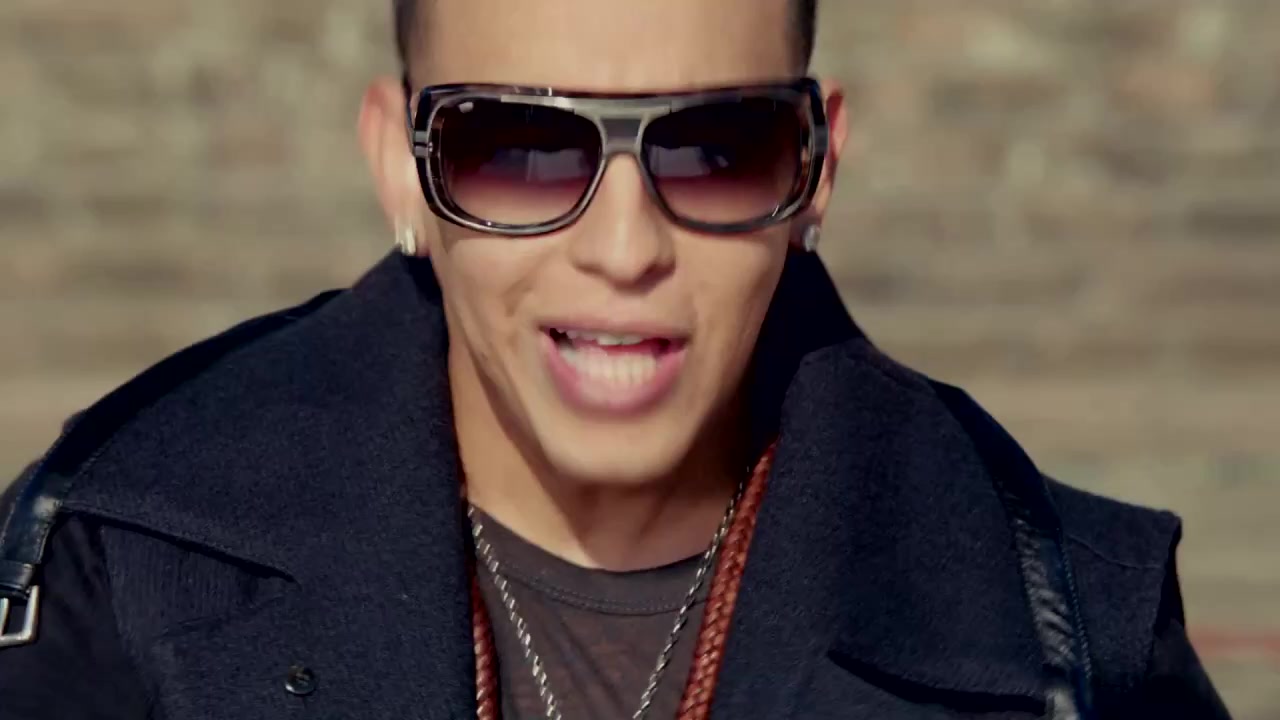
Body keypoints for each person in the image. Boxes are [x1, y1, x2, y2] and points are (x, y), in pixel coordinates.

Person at [0, 1, 1231, 718]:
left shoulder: (1071, 630)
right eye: (517, 150)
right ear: (398, 169)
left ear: (815, 168)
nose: (624, 247)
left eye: (718, 148)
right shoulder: (116, 572)